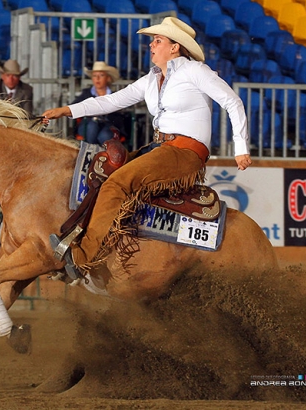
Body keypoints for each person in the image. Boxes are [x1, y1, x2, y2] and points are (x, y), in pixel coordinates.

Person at [42, 17, 252, 276]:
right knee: (102, 174)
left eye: (158, 40)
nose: (151, 45)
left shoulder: (195, 71)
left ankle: (83, 256)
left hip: (185, 152)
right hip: (161, 148)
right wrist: (67, 110)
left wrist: (240, 148)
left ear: (175, 47)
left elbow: (233, 102)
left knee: (117, 185)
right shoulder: (152, 79)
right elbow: (111, 101)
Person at [71, 61, 128, 145]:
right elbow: (74, 106)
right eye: (94, 76)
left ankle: (96, 154)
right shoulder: (86, 93)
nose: (97, 78)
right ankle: (93, 153)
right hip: (88, 124)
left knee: (105, 135)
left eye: (101, 75)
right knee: (92, 126)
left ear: (108, 78)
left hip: (109, 124)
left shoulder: (114, 95)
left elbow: (120, 114)